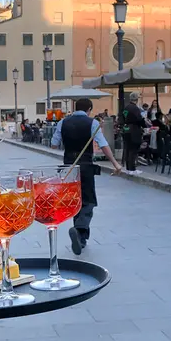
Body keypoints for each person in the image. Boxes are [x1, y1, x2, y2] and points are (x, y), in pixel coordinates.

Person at [50, 98, 122, 255]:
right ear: (89, 109)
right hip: (86, 166)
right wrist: (115, 163)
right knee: (88, 201)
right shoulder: (92, 123)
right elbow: (103, 145)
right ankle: (80, 231)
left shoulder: (63, 122)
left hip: (68, 166)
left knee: (74, 199)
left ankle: (80, 236)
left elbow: (54, 144)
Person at [121, 92, 147, 175]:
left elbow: (122, 118)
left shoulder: (126, 108)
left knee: (128, 149)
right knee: (133, 150)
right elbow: (139, 119)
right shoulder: (135, 108)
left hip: (126, 129)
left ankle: (128, 168)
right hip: (134, 130)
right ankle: (132, 169)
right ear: (136, 99)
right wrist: (145, 125)